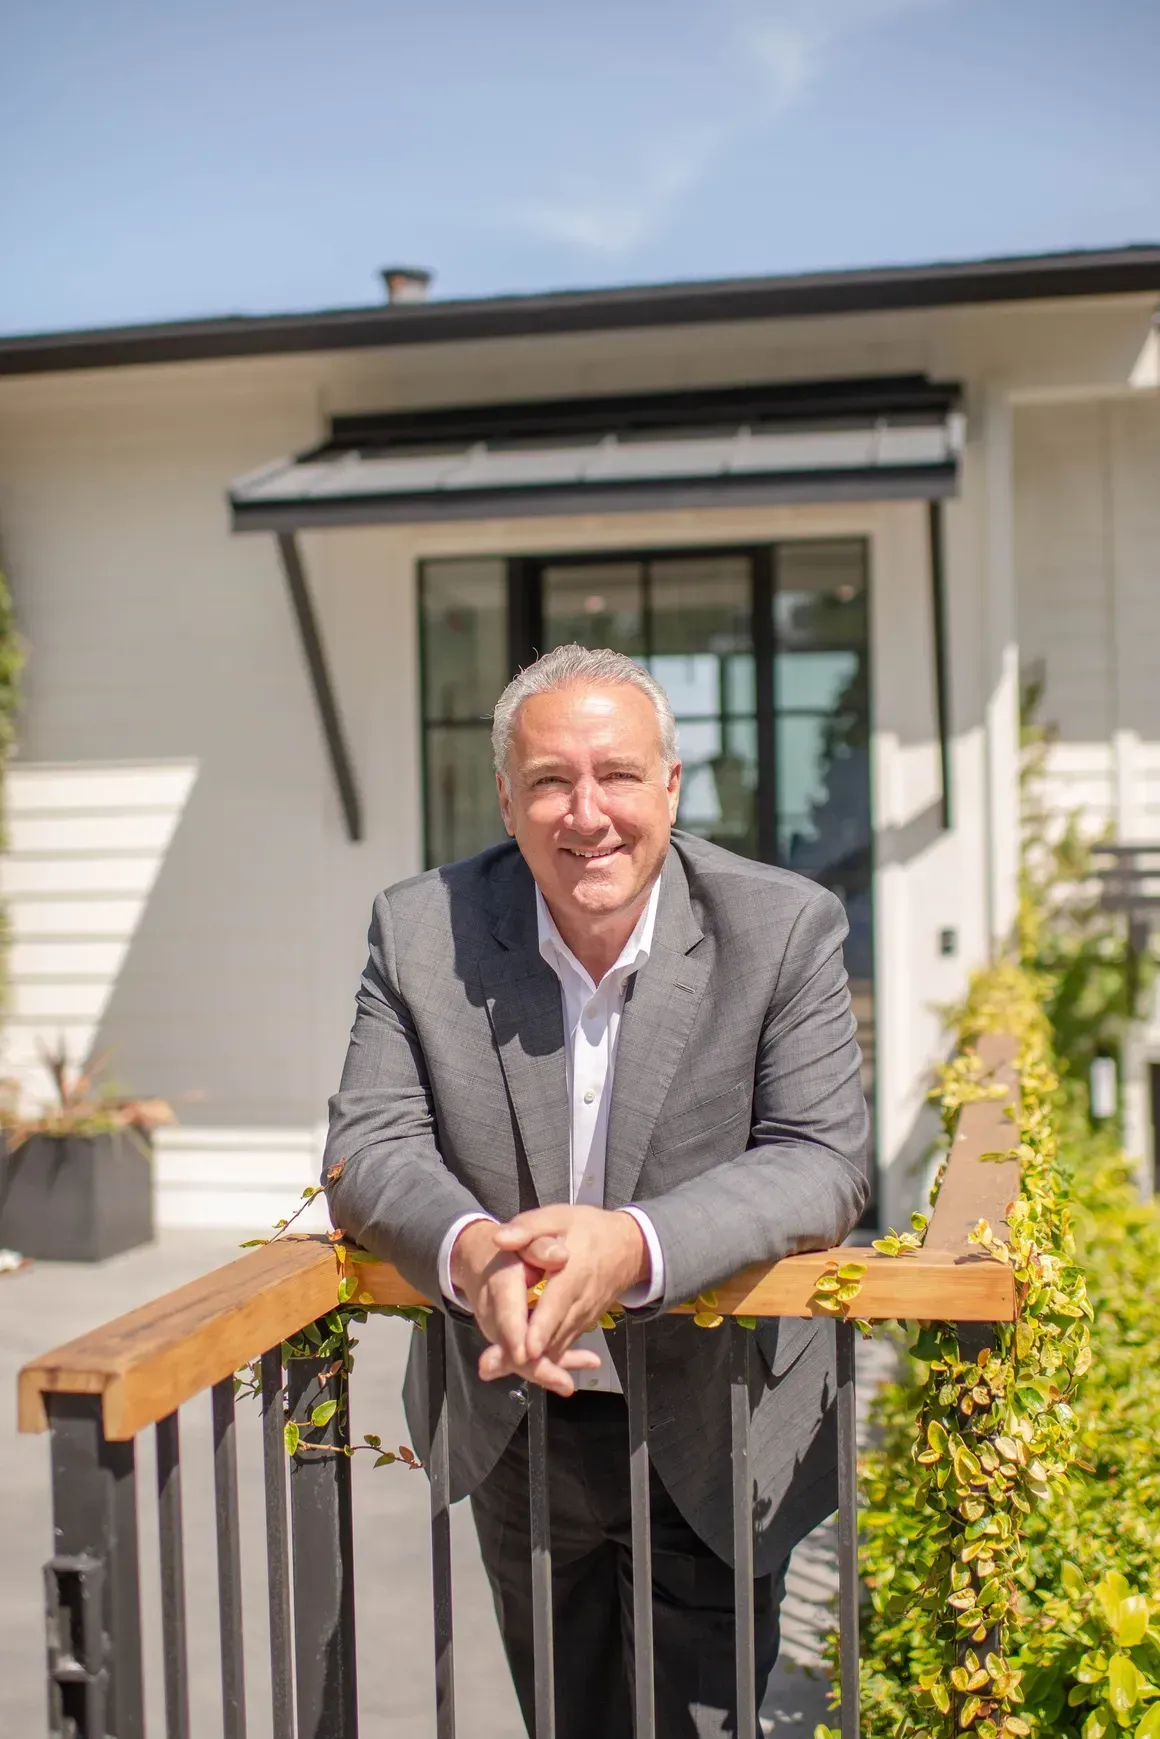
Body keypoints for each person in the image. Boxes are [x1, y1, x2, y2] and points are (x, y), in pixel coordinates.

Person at [324, 644, 869, 1738]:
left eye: (617, 774)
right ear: (506, 798)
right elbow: (367, 1140)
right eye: (548, 781)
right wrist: (475, 1254)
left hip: (715, 1408)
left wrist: (632, 1244)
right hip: (517, 1411)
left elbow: (820, 1155)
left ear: (669, 783)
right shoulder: (418, 927)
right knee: (565, 1718)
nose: (586, 813)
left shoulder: (783, 925)